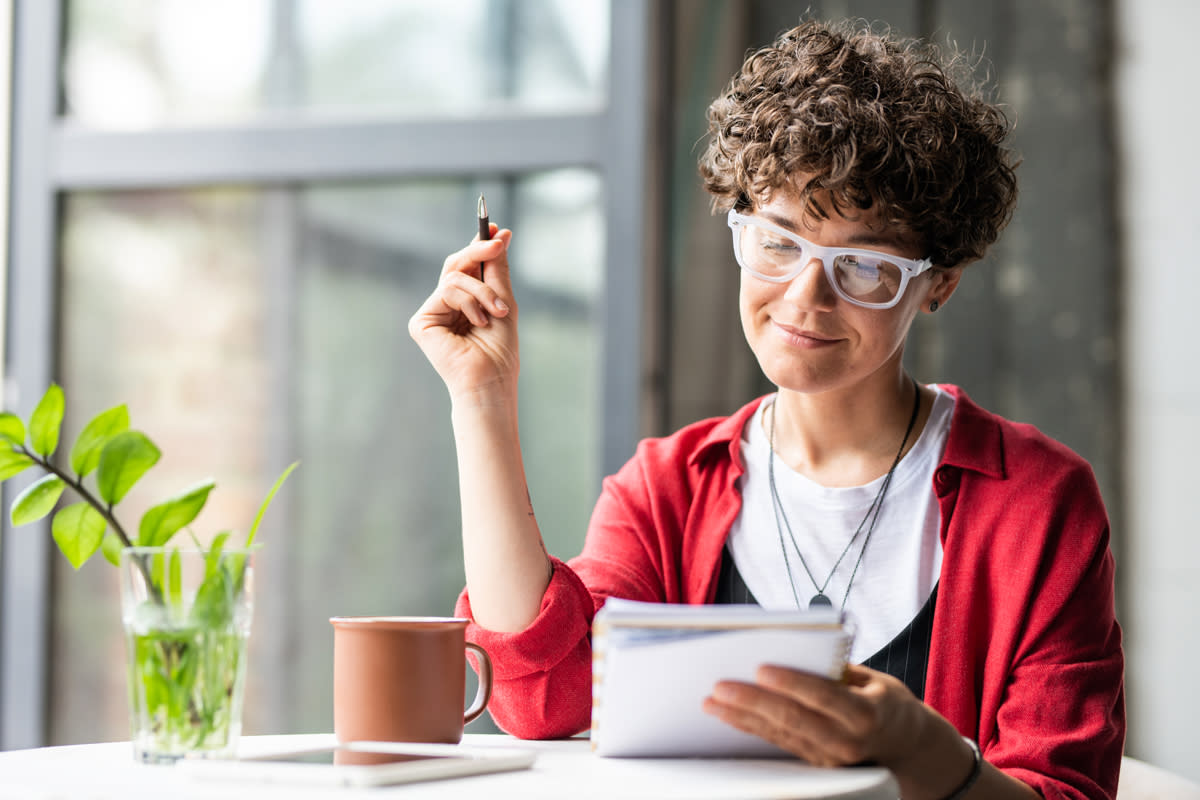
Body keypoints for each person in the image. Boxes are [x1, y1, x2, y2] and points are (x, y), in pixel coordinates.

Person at [409, 18, 1124, 800]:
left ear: (938, 283)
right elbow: (543, 696)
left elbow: (1067, 790)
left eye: (863, 266)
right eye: (779, 243)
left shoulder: (1036, 503)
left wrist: (919, 749)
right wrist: (481, 399)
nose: (807, 298)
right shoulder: (668, 490)